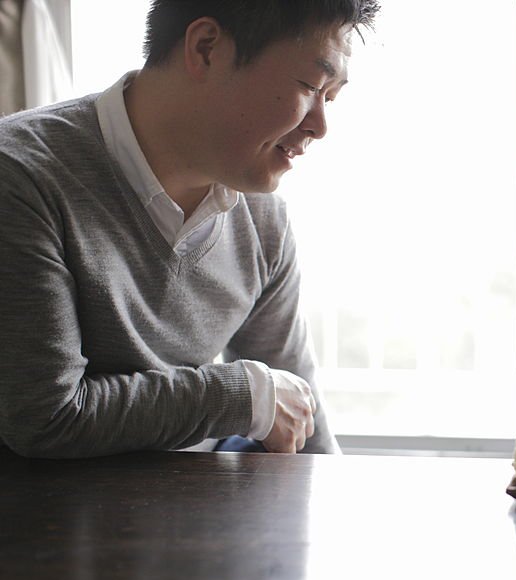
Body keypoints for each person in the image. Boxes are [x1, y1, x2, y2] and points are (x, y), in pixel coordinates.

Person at [0, 0, 380, 458]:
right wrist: (245, 396)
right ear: (205, 49)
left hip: (200, 510)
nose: (320, 127)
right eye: (309, 86)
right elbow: (44, 418)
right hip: (53, 521)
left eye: (331, 97)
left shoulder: (263, 221)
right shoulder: (22, 177)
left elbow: (301, 416)